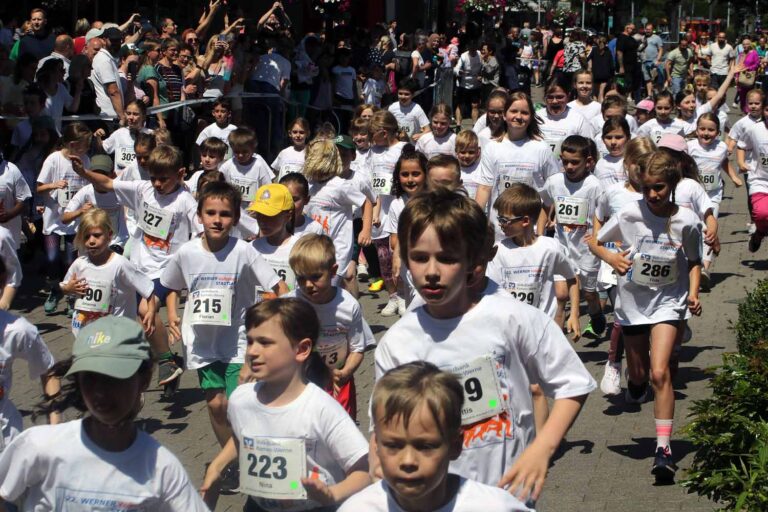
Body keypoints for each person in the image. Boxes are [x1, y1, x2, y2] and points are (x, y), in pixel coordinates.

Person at [374, 188, 595, 501]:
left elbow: (573, 383)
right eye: (420, 258)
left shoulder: (511, 317)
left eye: (447, 259)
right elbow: (381, 427)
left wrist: (542, 450)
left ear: (472, 261)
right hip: (433, 499)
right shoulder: (397, 342)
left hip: (507, 492)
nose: (432, 272)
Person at [0, 316, 209, 509]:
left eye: (114, 378)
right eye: (90, 378)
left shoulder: (162, 469)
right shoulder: (39, 447)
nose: (100, 392)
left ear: (144, 379)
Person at [593, 150, 703, 482]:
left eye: (659, 188)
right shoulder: (628, 214)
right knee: (639, 375)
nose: (653, 195)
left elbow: (696, 260)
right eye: (647, 188)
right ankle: (635, 383)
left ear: (672, 185)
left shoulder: (687, 220)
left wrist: (694, 294)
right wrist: (612, 260)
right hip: (632, 304)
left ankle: (664, 450)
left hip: (670, 302)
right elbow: (596, 242)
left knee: (660, 372)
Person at [200, 298, 371, 510]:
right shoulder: (240, 400)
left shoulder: (321, 409)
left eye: (265, 342)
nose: (252, 351)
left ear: (301, 349)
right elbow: (240, 438)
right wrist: (216, 468)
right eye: (250, 341)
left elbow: (364, 469)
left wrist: (332, 495)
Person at [162, 181, 282, 448]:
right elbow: (171, 286)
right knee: (217, 406)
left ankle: (246, 456)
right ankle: (232, 459)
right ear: (199, 216)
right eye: (211, 213)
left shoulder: (243, 251)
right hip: (202, 342)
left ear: (236, 218)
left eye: (225, 214)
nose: (217, 220)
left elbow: (277, 286)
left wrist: (277, 319)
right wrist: (172, 315)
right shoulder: (186, 252)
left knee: (239, 404)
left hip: (237, 342)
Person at [70, 144, 200, 391]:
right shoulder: (143, 190)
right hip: (138, 264)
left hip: (167, 269)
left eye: (163, 179)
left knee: (145, 310)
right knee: (138, 319)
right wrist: (84, 172)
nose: (158, 184)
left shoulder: (185, 202)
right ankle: (168, 360)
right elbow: (108, 184)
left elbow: (202, 230)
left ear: (180, 174)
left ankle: (163, 362)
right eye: (153, 178)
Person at [340, 362, 530, 511]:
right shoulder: (357, 508)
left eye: (425, 446)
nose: (408, 461)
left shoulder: (494, 507)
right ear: (376, 446)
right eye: (393, 445)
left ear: (455, 445)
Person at [589, 137, 656, 396]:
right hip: (618, 266)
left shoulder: (658, 193)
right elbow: (598, 220)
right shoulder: (614, 192)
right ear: (626, 164)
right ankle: (613, 364)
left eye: (648, 165)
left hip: (650, 270)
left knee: (643, 322)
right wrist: (605, 253)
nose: (642, 171)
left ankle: (637, 370)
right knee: (621, 316)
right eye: (637, 165)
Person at [287, 233, 373, 419]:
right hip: (300, 382)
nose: (308, 285)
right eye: (301, 278)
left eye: (316, 277)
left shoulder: (348, 306)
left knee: (340, 436)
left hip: (338, 381)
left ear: (333, 271)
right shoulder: (289, 304)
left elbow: (358, 348)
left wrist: (346, 372)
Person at [541, 135, 605, 338]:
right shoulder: (554, 182)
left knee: (588, 293)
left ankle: (595, 312)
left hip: (586, 249)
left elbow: (600, 216)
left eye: (574, 162)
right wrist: (539, 233)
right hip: (562, 245)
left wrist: (596, 238)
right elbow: (545, 205)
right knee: (562, 293)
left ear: (588, 162)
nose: (568, 166)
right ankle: (560, 332)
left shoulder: (594, 186)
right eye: (565, 161)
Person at [475, 91, 560, 240]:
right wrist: (474, 221)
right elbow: (484, 188)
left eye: (524, 113)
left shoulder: (541, 148)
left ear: (531, 116)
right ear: (504, 115)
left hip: (530, 233)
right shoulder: (492, 147)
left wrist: (540, 230)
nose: (519, 117)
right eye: (513, 111)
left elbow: (552, 190)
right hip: (499, 232)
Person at [61, 206, 154, 336]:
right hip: (85, 331)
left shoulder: (120, 264)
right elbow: (65, 286)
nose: (92, 241)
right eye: (87, 237)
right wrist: (68, 288)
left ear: (109, 235)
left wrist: (150, 311)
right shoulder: (79, 264)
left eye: (97, 235)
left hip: (116, 333)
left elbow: (147, 288)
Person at [304, 136, 376, 298]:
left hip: (338, 250)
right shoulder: (310, 185)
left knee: (325, 292)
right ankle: (349, 315)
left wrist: (366, 230)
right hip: (315, 248)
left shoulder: (340, 185)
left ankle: (347, 317)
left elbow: (367, 202)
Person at [36, 122, 92, 316]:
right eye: (83, 144)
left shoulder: (85, 160)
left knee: (70, 260)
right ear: (71, 143)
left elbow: (88, 185)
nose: (86, 149)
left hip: (74, 219)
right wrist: (54, 185)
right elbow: (39, 187)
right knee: (52, 258)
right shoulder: (54, 159)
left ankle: (70, 296)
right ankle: (55, 289)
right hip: (53, 218)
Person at [688, 113, 741, 288]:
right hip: (693, 196)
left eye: (711, 130)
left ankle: (705, 268)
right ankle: (688, 265)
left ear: (718, 132)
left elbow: (723, 162)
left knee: (709, 231)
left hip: (713, 196)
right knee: (691, 228)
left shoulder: (721, 147)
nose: (706, 133)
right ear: (696, 130)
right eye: (702, 129)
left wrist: (733, 176)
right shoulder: (690, 147)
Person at [367, 111, 407, 308]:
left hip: (399, 208)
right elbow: (370, 183)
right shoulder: (373, 152)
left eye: (372, 133)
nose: (369, 137)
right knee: (384, 257)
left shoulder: (404, 148)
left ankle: (404, 294)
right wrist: (373, 211)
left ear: (383, 132)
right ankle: (392, 296)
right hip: (379, 211)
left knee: (399, 254)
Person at [61, 154, 129, 250]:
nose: (98, 178)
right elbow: (64, 219)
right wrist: (80, 211)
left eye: (103, 174)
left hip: (115, 244)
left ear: (113, 175)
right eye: (95, 174)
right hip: (90, 245)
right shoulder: (85, 192)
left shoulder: (120, 191)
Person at [247, 183, 298, 298]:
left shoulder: (300, 249)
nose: (263, 221)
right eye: (260, 214)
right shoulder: (251, 248)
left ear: (288, 215)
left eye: (270, 216)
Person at [736, 94, 768, 253]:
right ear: (764, 111)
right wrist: (741, 163)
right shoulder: (754, 129)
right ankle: (760, 232)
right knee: (761, 214)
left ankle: (759, 233)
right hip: (760, 180)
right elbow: (741, 145)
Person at [536, 76, 593, 162]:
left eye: (559, 97)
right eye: (550, 97)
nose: (555, 101)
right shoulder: (536, 117)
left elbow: (589, 149)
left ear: (568, 96)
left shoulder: (579, 119)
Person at [220, 127, 273, 212]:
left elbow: (268, 189)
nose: (240, 155)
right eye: (237, 152)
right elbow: (220, 187)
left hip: (253, 212)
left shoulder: (258, 166)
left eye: (245, 152)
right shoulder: (227, 166)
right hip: (233, 211)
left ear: (252, 149)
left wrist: (261, 203)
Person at [95, 100, 151, 173]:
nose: (131, 117)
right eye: (128, 113)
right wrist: (98, 137)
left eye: (135, 114)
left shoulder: (151, 134)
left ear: (143, 115)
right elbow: (103, 149)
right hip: (121, 180)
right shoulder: (119, 133)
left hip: (142, 180)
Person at [90, 26, 126, 124]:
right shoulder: (104, 60)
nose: (116, 43)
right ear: (104, 40)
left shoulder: (108, 58)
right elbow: (113, 90)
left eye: (119, 40)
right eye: (113, 40)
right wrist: (122, 116)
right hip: (109, 117)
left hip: (111, 116)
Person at [453, 41, 482, 125]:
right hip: (463, 85)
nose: (473, 50)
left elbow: (483, 66)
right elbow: (455, 69)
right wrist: (461, 72)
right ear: (468, 48)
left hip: (475, 85)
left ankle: (475, 125)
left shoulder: (480, 55)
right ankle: (458, 124)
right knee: (461, 105)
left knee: (475, 105)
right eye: (471, 48)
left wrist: (481, 75)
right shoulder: (463, 56)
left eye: (474, 48)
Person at [616, 23, 641, 102]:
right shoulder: (621, 38)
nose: (633, 31)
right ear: (626, 28)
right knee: (621, 82)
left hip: (632, 65)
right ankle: (620, 96)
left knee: (630, 82)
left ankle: (629, 96)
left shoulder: (631, 38)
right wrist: (621, 66)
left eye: (634, 29)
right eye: (632, 29)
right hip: (624, 65)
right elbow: (619, 52)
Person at [455, 130, 482, 199]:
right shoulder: (453, 170)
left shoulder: (482, 169)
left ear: (478, 152)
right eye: (463, 152)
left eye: (471, 152)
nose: (467, 156)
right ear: (456, 151)